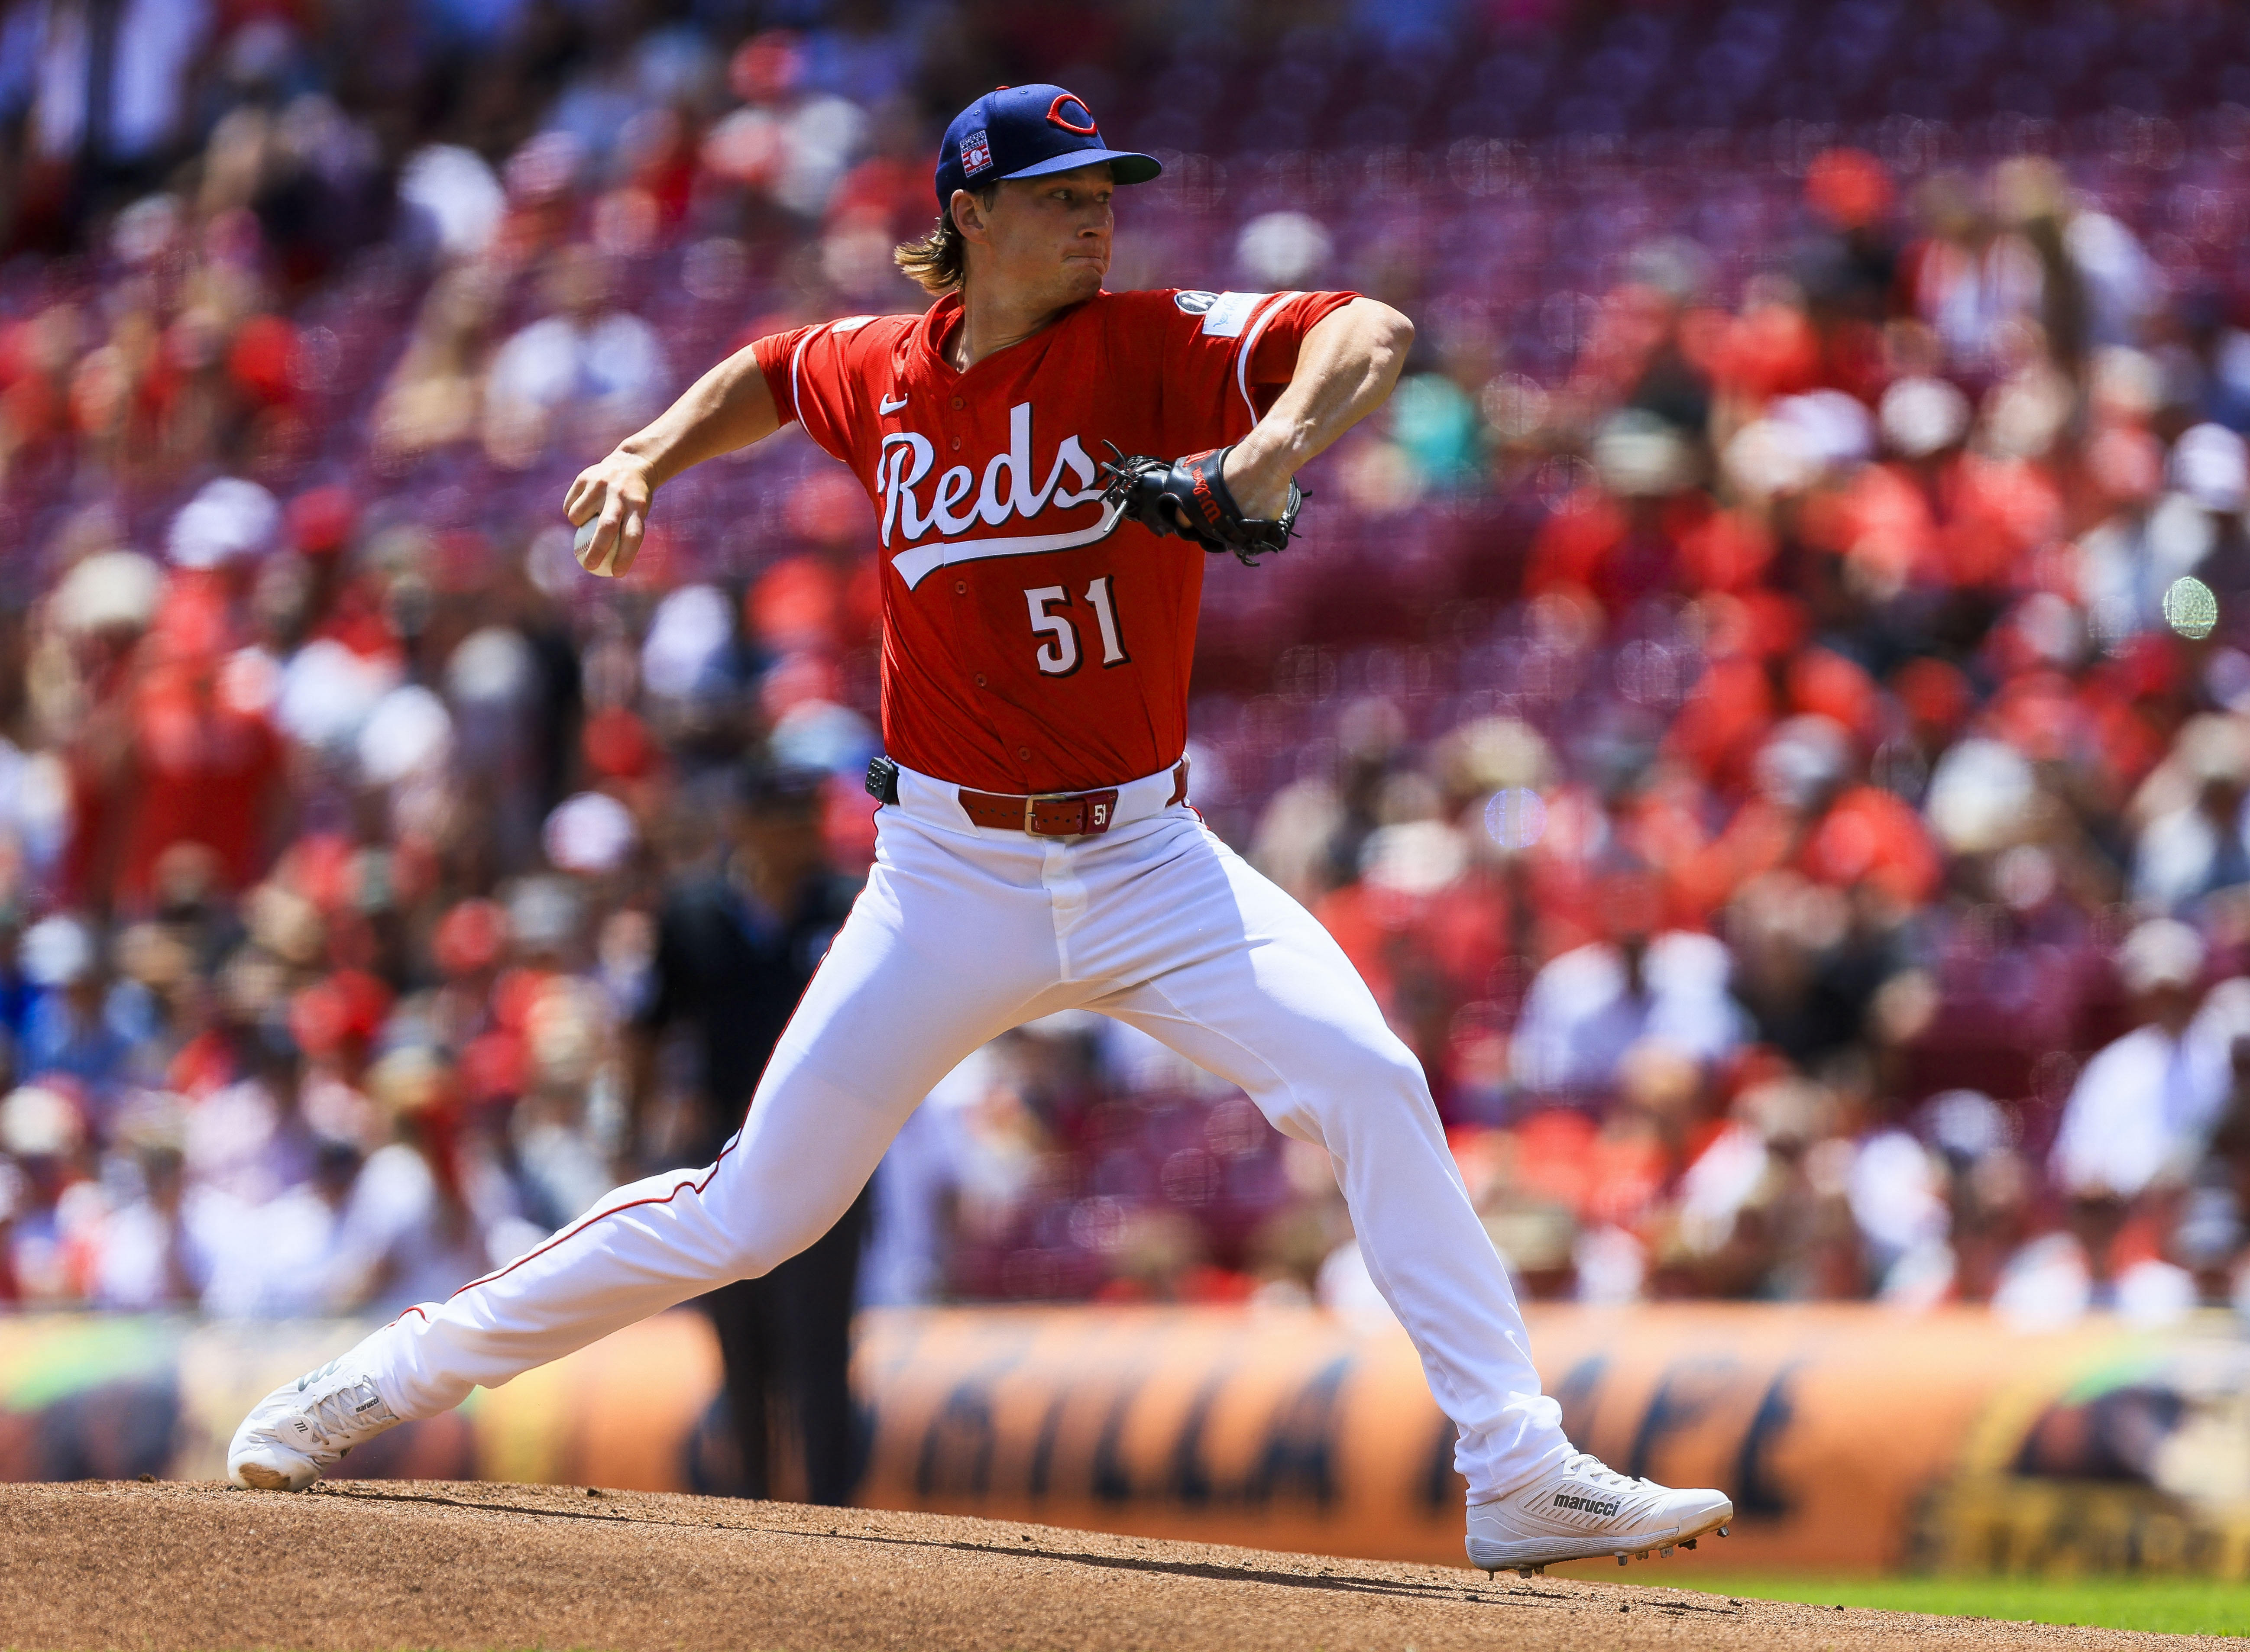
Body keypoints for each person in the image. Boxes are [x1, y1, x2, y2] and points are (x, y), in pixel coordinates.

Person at [227, 83, 1731, 1577]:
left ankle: (1515, 1469)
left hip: (1148, 860)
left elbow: (1372, 332)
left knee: (1371, 1076)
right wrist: (643, 455)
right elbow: (770, 368)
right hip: (946, 876)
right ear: (969, 215)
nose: (1097, 218)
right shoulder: (885, 372)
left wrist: (1267, 447)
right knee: (751, 1211)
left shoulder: (1148, 342)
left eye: (1104, 194)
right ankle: (380, 1378)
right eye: (1062, 196)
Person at [635, 762, 870, 1504]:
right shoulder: (693, 914)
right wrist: (633, 1135)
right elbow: (648, 1031)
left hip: (829, 1147)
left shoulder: (851, 905)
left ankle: (833, 1515)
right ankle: (754, 1510)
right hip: (724, 1145)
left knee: (820, 1338)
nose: (802, 835)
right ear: (746, 826)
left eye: (808, 819)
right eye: (785, 820)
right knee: (739, 1337)